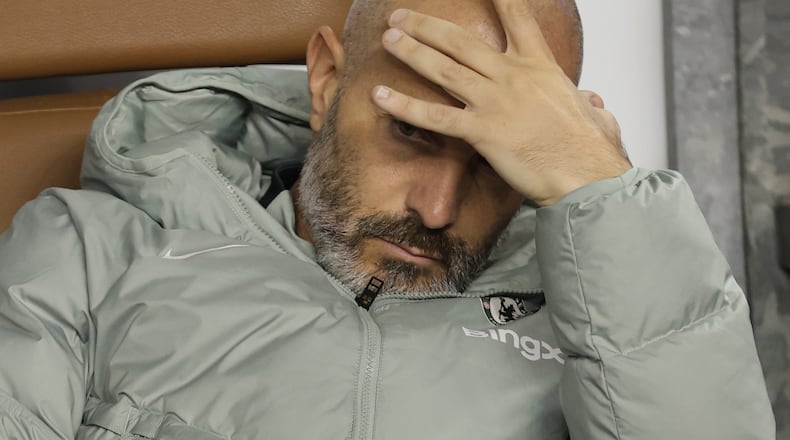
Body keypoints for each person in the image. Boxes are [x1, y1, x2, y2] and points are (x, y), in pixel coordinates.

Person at [0, 0, 775, 438]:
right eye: (410, 133)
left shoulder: (604, 312)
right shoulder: (94, 251)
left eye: (495, 163)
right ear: (327, 80)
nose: (435, 210)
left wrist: (599, 190)